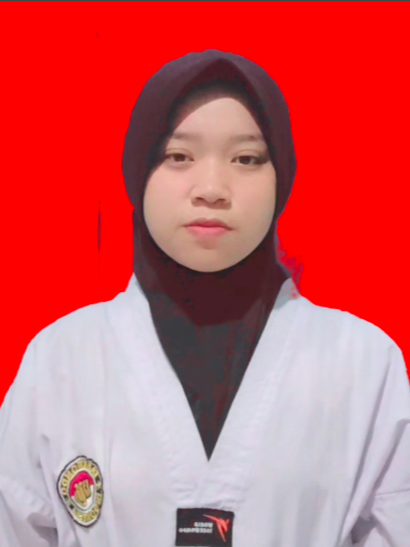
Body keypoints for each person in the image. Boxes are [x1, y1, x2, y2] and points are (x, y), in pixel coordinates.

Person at [0, 49, 409, 547]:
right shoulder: (61, 359)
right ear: (139, 172)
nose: (212, 188)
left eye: (246, 159)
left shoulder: (363, 363)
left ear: (281, 177)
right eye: (179, 157)